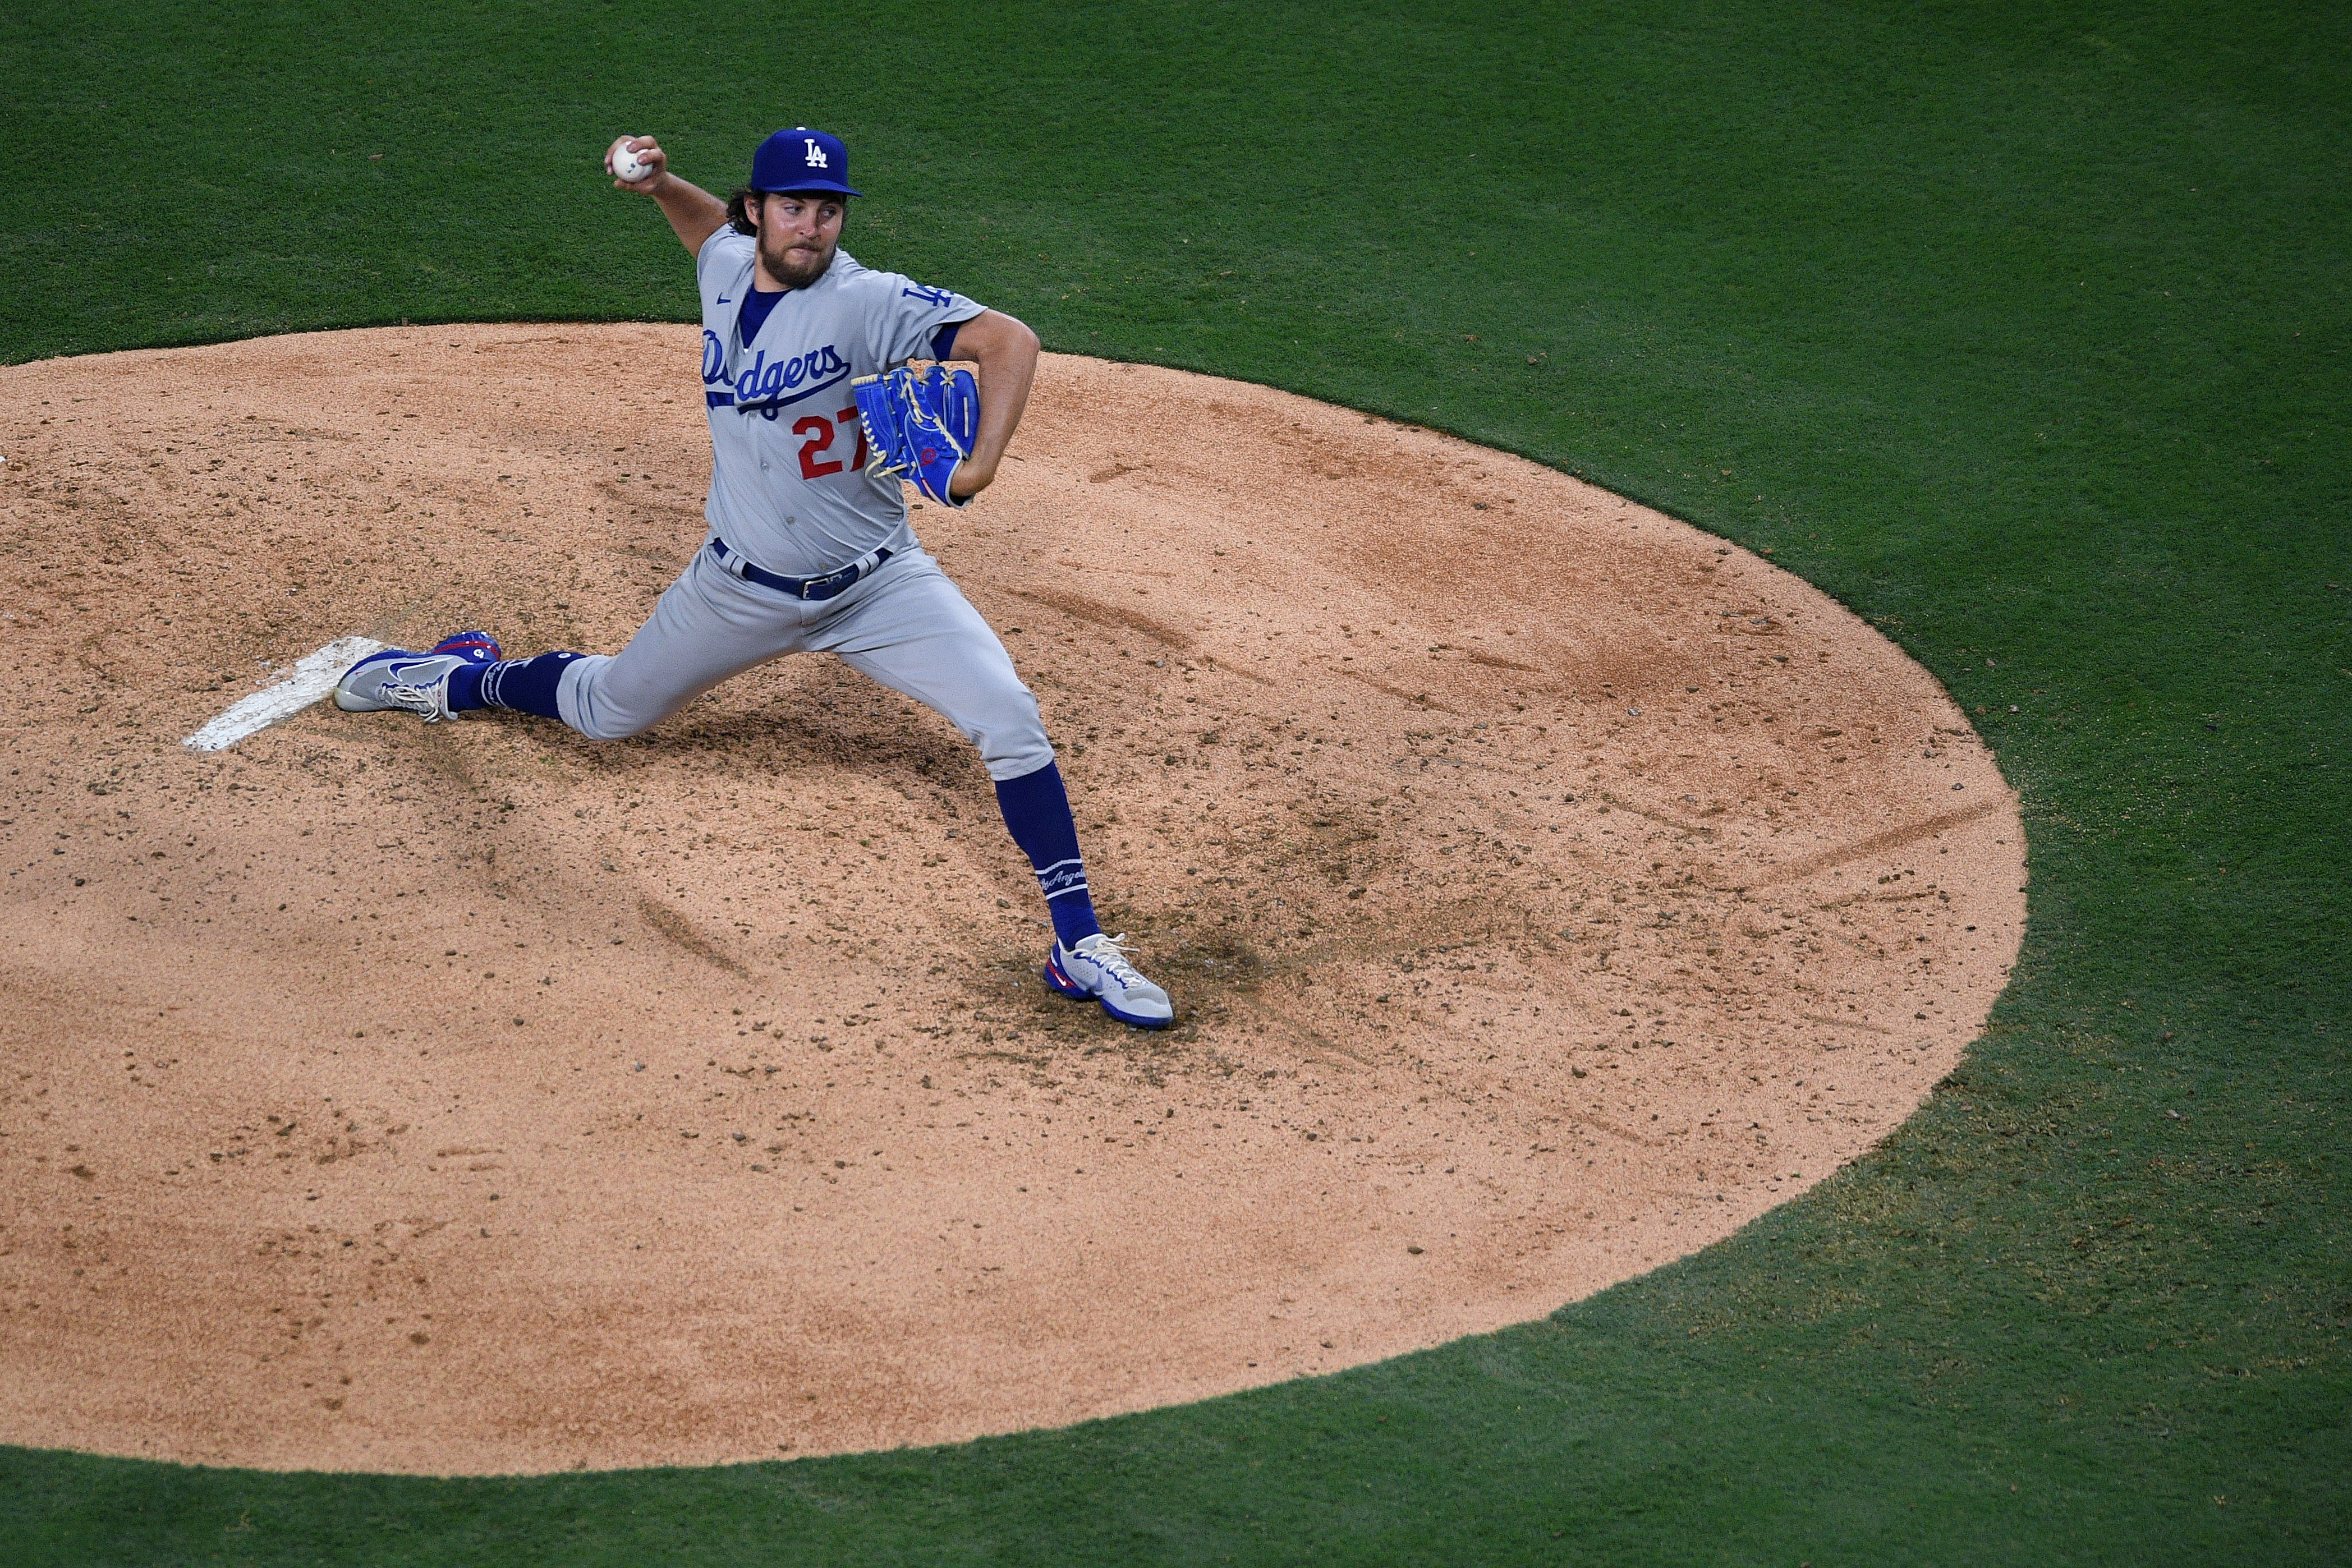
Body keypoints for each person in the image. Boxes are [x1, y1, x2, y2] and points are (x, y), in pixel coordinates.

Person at [333, 125, 1172, 1029]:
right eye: (792, 208)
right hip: (737, 589)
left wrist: (980, 468)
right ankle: (456, 675)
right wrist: (659, 188)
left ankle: (1079, 946)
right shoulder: (726, 266)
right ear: (757, 211)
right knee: (607, 711)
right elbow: (703, 231)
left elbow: (1011, 342)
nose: (810, 227)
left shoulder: (870, 301)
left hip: (881, 586)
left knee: (1009, 715)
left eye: (827, 210)